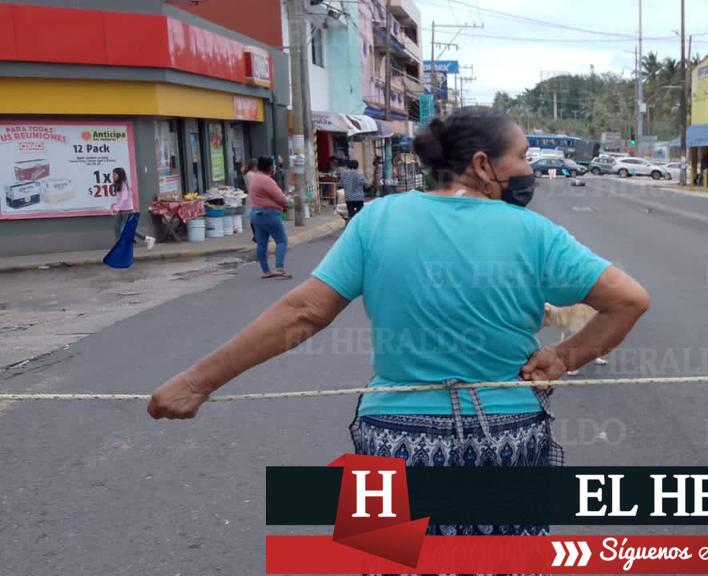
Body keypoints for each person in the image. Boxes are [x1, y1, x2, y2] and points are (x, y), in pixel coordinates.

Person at [147, 106, 651, 546]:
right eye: (521, 156)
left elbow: (302, 313)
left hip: (395, 439)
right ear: (482, 164)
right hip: (507, 435)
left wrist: (197, 383)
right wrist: (563, 358)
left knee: (391, 561)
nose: (528, 168)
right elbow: (629, 301)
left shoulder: (377, 220)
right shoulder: (536, 234)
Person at [249, 156, 292, 278]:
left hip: (256, 214)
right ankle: (279, 267)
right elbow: (280, 197)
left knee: (262, 244)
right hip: (269, 213)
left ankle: (265, 270)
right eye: (273, 166)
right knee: (281, 240)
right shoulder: (266, 180)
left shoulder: (254, 178)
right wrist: (286, 204)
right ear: (270, 167)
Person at [109, 168, 155, 250]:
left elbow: (124, 198)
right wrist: (114, 206)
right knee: (117, 228)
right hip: (121, 211)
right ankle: (120, 246)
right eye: (113, 174)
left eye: (114, 174)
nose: (112, 176)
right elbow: (119, 198)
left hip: (127, 211)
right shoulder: (118, 185)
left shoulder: (124, 184)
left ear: (120, 175)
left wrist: (117, 207)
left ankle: (146, 239)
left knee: (126, 229)